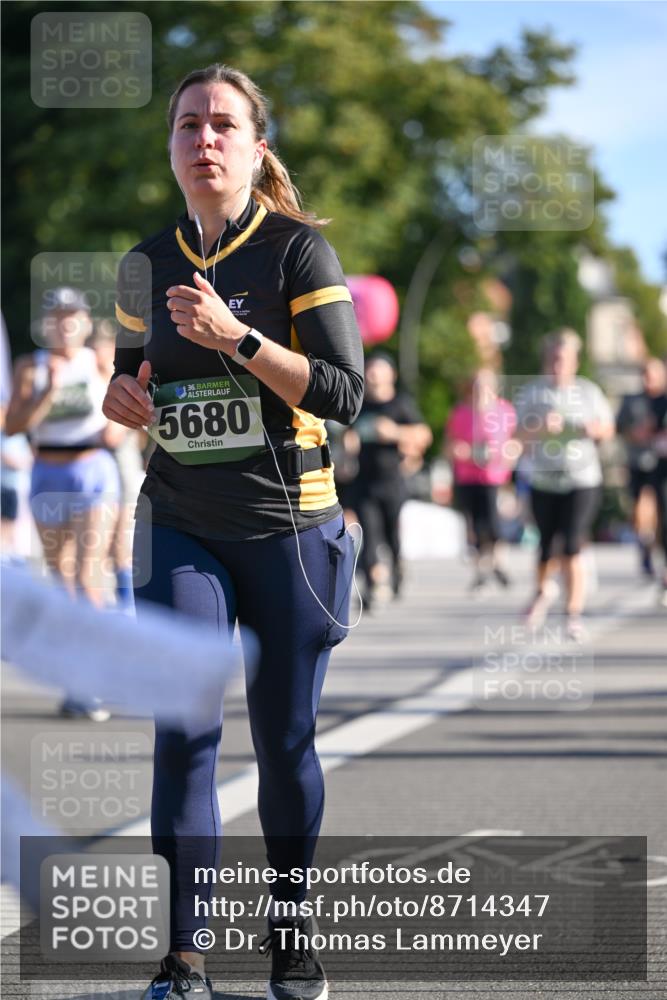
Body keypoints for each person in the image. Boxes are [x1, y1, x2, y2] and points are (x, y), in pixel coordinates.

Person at [102, 64, 364, 1000]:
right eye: (186, 126)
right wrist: (122, 393)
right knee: (183, 728)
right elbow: (132, 378)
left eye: (222, 126)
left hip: (288, 530)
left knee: (285, 738)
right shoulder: (144, 263)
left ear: (258, 148)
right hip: (179, 521)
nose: (202, 141)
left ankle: (292, 942)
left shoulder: (296, 255)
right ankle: (185, 957)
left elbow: (342, 395)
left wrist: (235, 339)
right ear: (170, 147)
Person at [5, 287, 123, 719]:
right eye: (58, 316)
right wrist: (45, 395)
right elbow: (13, 424)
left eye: (73, 316)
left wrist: (120, 432)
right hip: (47, 472)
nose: (66, 323)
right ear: (47, 323)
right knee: (62, 579)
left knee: (88, 575)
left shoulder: (97, 361)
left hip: (92, 470)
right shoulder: (30, 366)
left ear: (85, 322)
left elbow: (127, 409)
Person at [515, 329, 615, 638]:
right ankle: (542, 592)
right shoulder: (533, 393)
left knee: (571, 544)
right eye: (553, 359)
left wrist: (592, 429)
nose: (558, 365)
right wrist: (540, 427)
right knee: (545, 546)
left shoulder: (588, 392)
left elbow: (608, 430)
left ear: (574, 361)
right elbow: (517, 436)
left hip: (581, 479)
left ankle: (573, 613)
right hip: (544, 479)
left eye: (564, 359)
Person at [350, 352, 431, 607]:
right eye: (370, 369)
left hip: (392, 481)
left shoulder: (400, 404)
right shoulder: (358, 403)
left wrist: (394, 432)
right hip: (363, 480)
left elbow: (423, 435)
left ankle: (397, 568)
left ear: (390, 375)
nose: (373, 374)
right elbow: (345, 433)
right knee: (369, 533)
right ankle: (374, 584)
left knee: (391, 534)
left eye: (378, 369)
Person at [446, 368, 518, 591]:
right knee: (475, 524)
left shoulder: (505, 411)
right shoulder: (461, 413)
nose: (482, 391)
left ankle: (497, 562)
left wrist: (505, 456)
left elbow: (515, 444)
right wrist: (460, 452)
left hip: (494, 476)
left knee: (494, 523)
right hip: (468, 476)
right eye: (477, 386)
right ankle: (482, 570)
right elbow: (449, 446)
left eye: (486, 385)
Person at [616, 357, 666, 578]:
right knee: (638, 509)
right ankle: (645, 543)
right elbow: (618, 426)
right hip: (638, 461)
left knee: (662, 509)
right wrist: (634, 433)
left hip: (662, 463)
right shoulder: (632, 400)